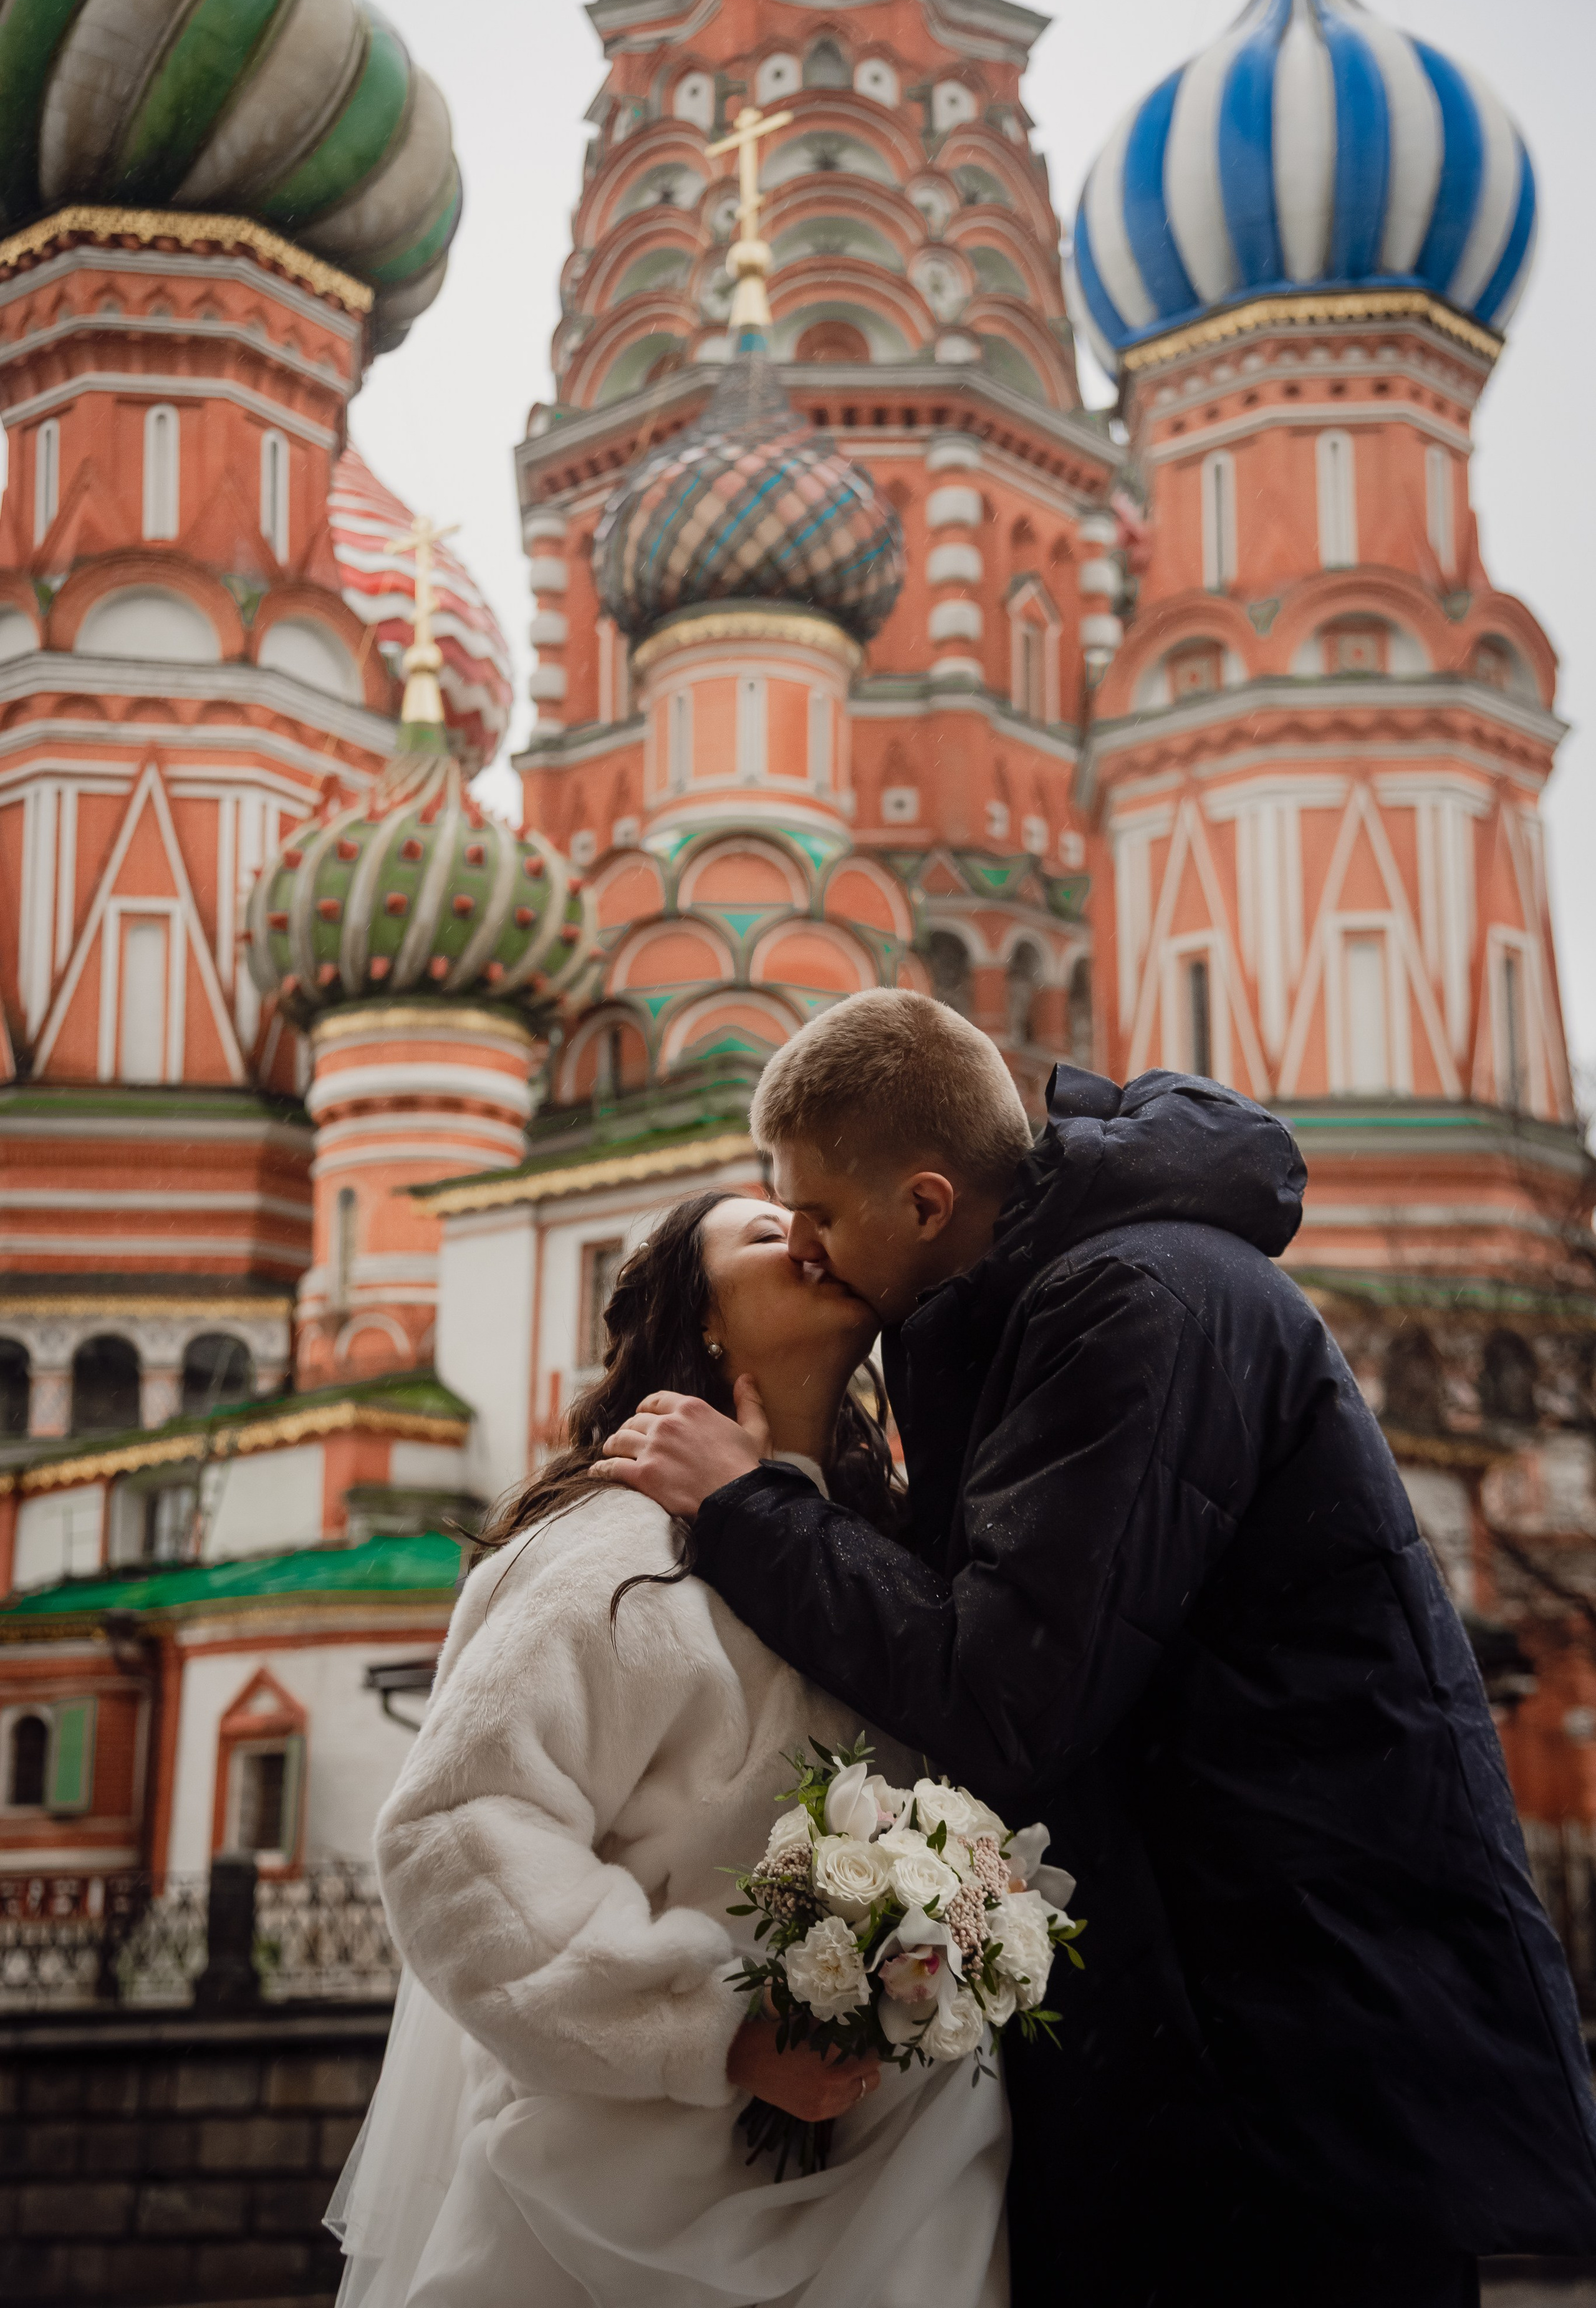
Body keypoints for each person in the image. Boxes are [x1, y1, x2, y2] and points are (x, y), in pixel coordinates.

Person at [595, 988, 1596, 2308]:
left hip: (1280, 2069)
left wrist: (745, 1504)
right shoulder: (1073, 1294)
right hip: (1235, 2035)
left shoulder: (1131, 1301)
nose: (814, 1254)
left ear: (929, 1202)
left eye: (820, 1216)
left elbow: (1008, 1693)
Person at [328, 1190, 1012, 2308]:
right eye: (761, 1233)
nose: (807, 1239)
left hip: (895, 2168)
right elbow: (459, 1831)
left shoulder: (894, 1565)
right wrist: (719, 2032)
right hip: (628, 2202)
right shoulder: (619, 1544)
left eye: (816, 1219)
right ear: (701, 1321)